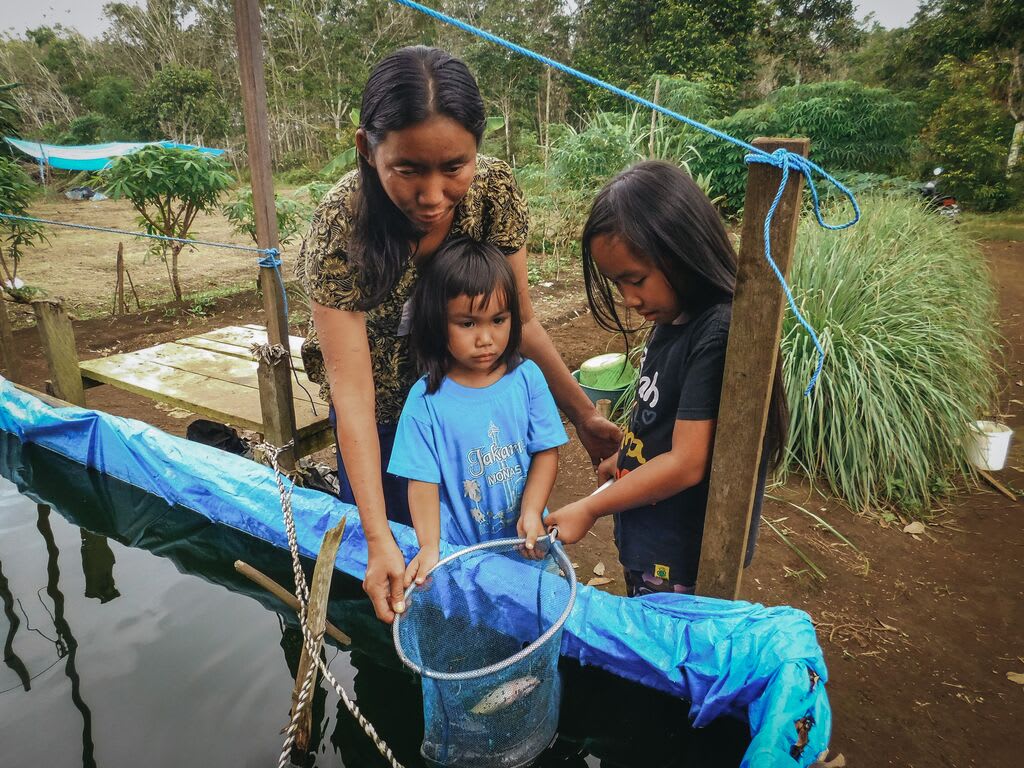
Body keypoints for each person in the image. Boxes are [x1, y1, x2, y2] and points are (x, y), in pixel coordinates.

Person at [296, 46, 619, 623]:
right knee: (399, 576)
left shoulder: (494, 192)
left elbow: (522, 321)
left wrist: (583, 416)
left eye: (454, 167)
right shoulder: (340, 227)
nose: (432, 195)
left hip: (476, 412)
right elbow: (353, 394)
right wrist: (376, 539)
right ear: (367, 149)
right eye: (408, 169)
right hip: (387, 420)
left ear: (478, 147)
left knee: (484, 564)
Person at [545, 161, 788, 596]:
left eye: (635, 280)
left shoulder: (716, 331)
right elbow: (661, 424)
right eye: (618, 284)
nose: (629, 299)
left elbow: (686, 463)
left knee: (666, 652)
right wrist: (624, 465)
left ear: (683, 251)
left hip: (679, 558)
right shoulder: (673, 318)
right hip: (652, 539)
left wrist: (591, 507)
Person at [388, 238, 568, 585]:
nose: (486, 338)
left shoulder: (527, 378)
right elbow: (422, 483)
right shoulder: (425, 403)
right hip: (462, 559)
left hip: (526, 547)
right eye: (468, 323)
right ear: (438, 322)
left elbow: (546, 450)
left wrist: (532, 511)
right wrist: (428, 546)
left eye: (498, 319)